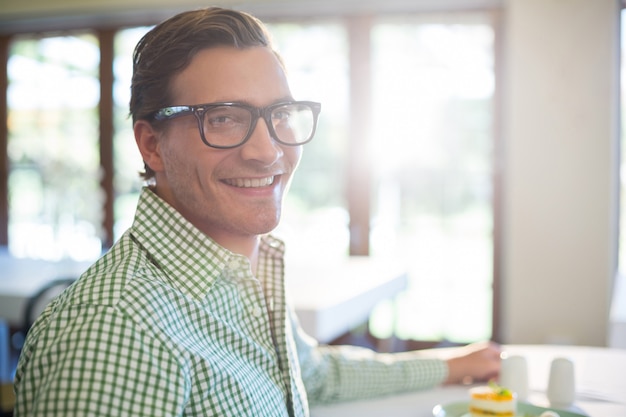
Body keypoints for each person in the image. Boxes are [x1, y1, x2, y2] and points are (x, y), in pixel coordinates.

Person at [13, 7, 501, 417]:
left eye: (280, 115)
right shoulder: (115, 332)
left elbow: (311, 373)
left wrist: (452, 365)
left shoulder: (241, 270)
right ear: (151, 145)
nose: (267, 152)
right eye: (225, 119)